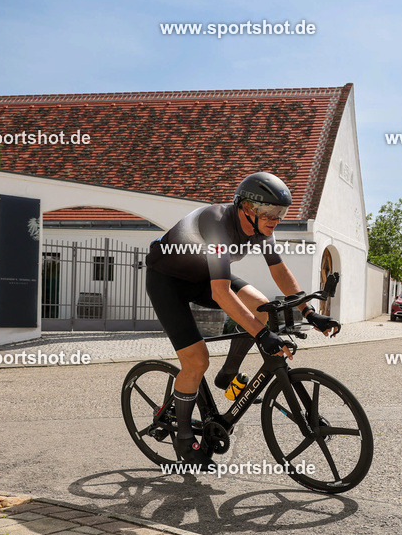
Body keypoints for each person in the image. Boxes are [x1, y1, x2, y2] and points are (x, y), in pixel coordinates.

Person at [145, 172, 340, 466]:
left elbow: (278, 269)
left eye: (282, 213)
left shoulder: (261, 227)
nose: (276, 219)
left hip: (203, 276)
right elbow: (221, 293)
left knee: (264, 308)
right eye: (271, 212)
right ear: (247, 208)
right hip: (168, 281)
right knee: (197, 360)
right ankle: (184, 439)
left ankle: (228, 374)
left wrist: (311, 314)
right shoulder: (217, 225)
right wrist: (261, 335)